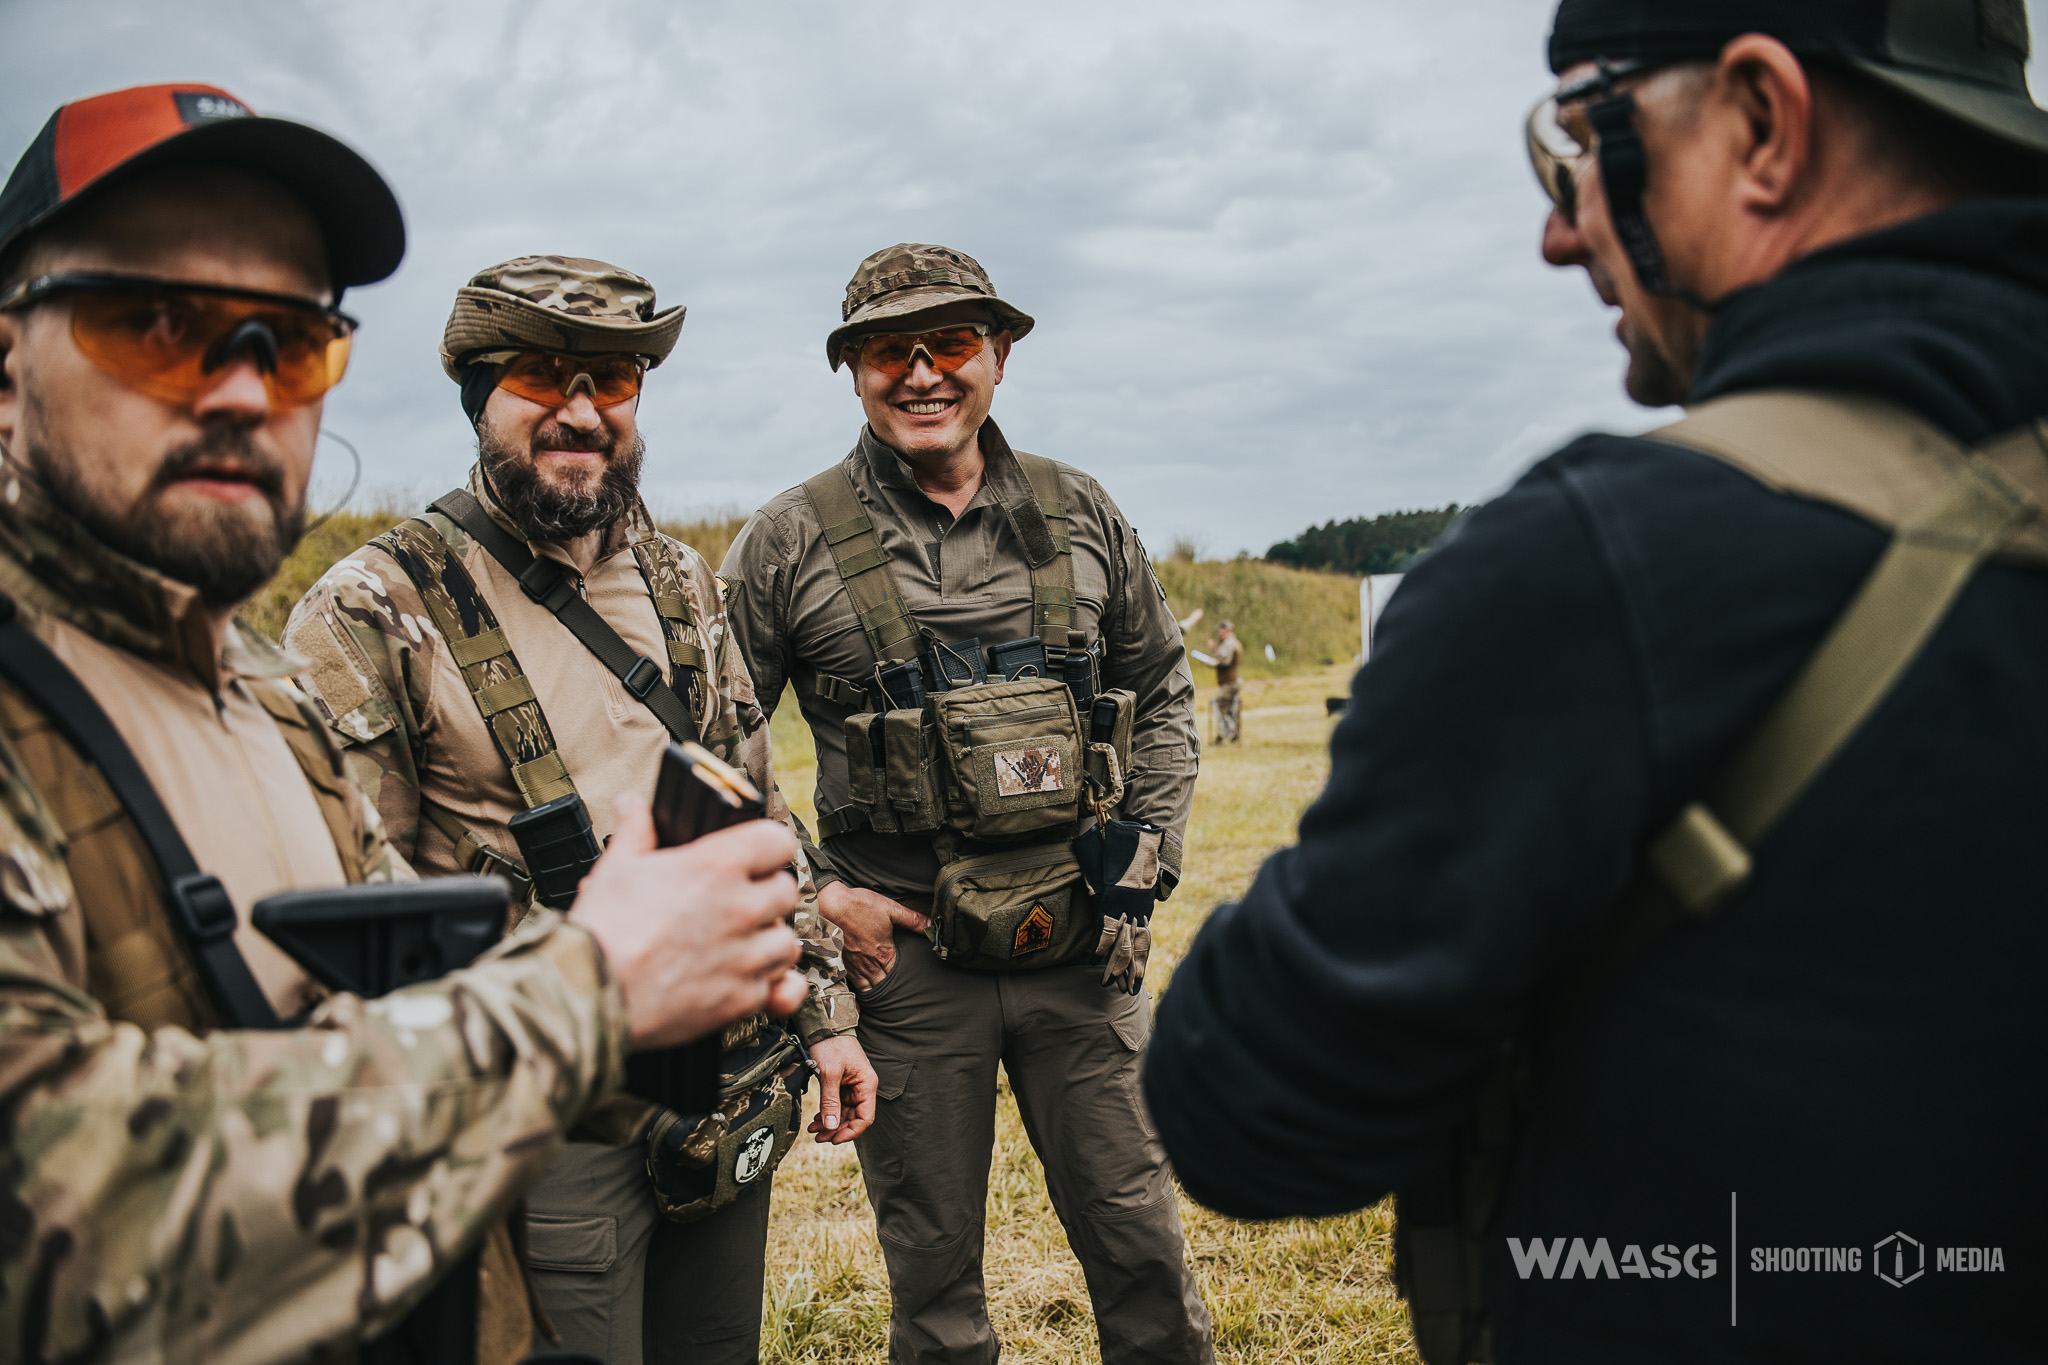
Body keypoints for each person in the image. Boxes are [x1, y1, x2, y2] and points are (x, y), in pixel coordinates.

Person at [1144, 1, 2048, 1360]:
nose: (1562, 230)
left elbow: (1250, 1113)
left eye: (1574, 144)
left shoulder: (1590, 568)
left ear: (1761, 123)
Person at [0, 83, 809, 1365]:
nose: (236, 391)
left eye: (289, 340)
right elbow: (54, 1204)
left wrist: (721, 974)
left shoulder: (259, 697)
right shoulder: (359, 616)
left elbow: (392, 1000)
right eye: (153, 323)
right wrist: (593, 990)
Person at [284, 255, 873, 1365]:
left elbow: (757, 817)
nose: (580, 409)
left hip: (725, 1081)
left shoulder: (682, 585)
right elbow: (348, 916)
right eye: (543, 376)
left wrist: (822, 1016)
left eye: (612, 381)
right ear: (478, 396)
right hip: (541, 1122)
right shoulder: (374, 606)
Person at [720, 243, 1212, 1364]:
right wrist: (817, 901)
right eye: (888, 350)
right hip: (907, 966)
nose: (922, 372)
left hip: (1082, 956)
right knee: (933, 1288)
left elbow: (1162, 693)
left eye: (951, 343)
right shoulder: (786, 541)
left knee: (1141, 1249)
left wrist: (1142, 865)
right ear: (852, 369)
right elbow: (712, 751)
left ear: (998, 354)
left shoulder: (1080, 511)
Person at [1205, 621, 1242, 744]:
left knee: (1220, 708)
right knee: (1230, 709)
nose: (1219, 633)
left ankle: (1225, 734)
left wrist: (1213, 663)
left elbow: (1225, 662)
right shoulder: (1232, 643)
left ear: (1227, 630)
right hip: (1231, 681)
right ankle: (1233, 735)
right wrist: (1215, 650)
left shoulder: (1229, 644)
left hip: (1229, 682)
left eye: (1221, 631)